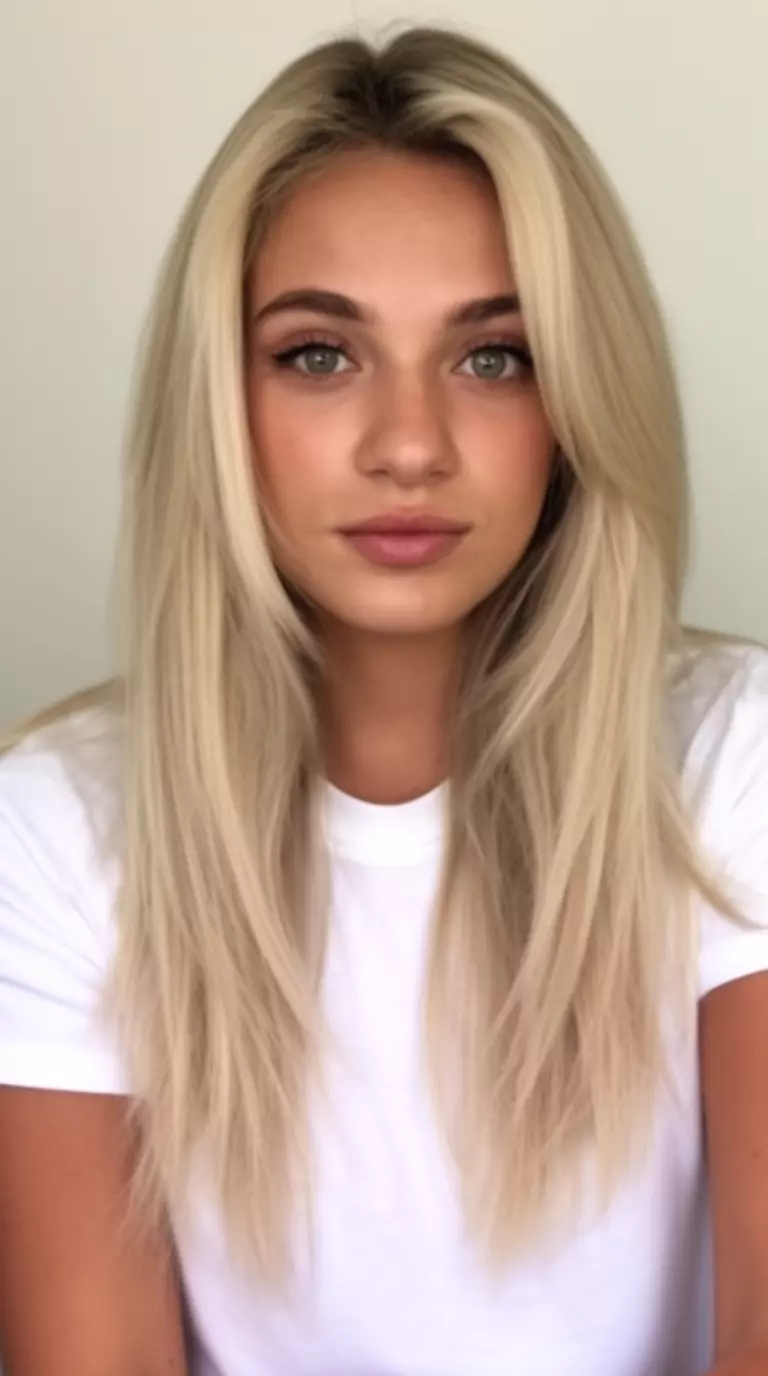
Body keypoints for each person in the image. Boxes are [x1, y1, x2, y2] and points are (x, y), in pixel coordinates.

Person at [1, 23, 767, 1376]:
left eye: (493, 357)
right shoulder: (61, 828)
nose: (408, 444)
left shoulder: (731, 758)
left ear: (580, 402)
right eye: (316, 354)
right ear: (219, 402)